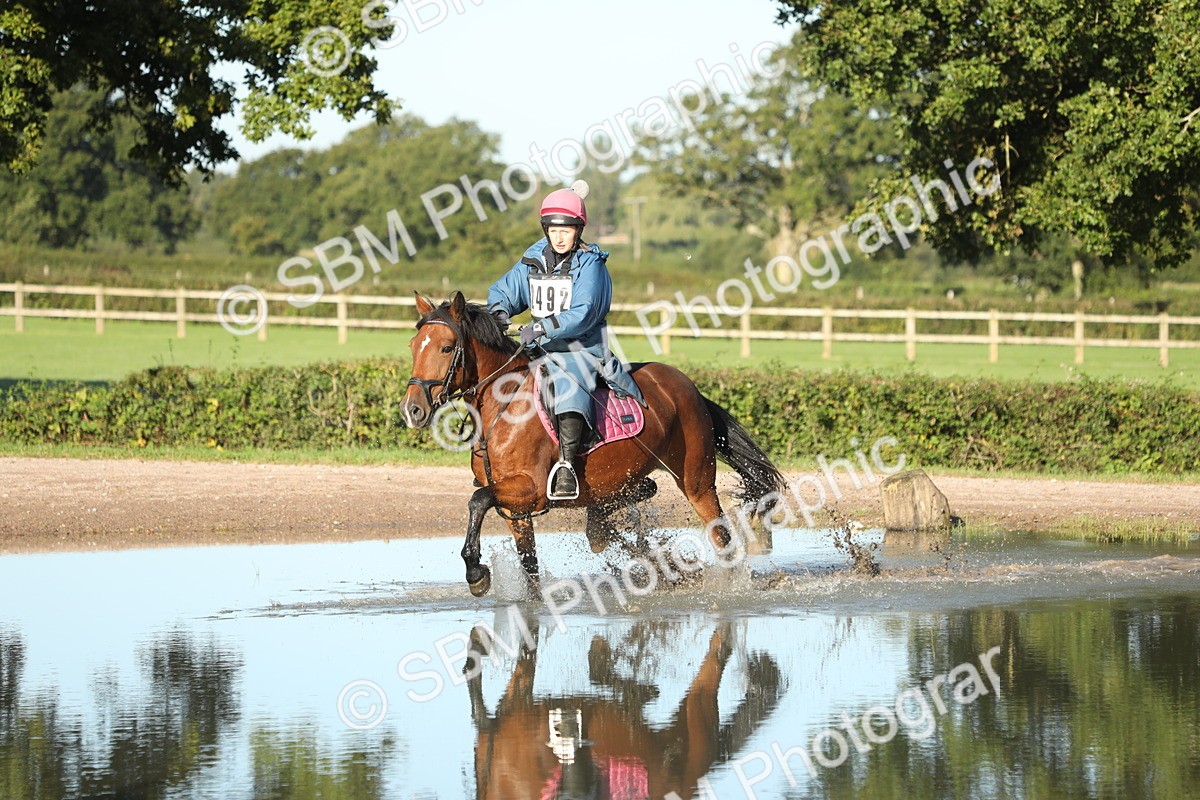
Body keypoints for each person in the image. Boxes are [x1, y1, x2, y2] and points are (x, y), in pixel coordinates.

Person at [487, 181, 645, 500]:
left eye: (567, 230)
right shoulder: (533, 259)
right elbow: (505, 290)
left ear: (578, 230)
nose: (560, 237)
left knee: (571, 387)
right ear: (546, 230)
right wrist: (499, 313)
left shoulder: (591, 265)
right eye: (554, 230)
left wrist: (543, 328)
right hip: (538, 348)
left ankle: (567, 467)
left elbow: (584, 312)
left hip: (581, 348)